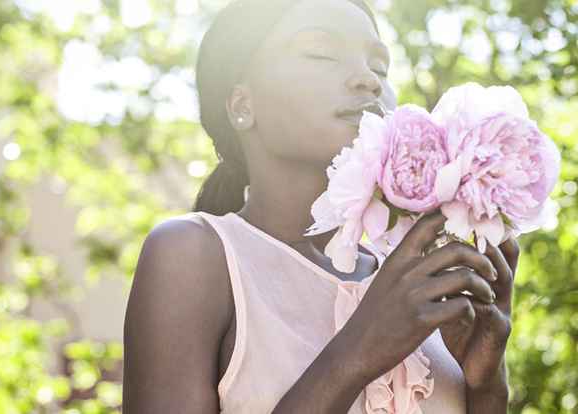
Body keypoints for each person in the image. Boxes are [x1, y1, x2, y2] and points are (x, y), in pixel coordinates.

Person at [122, 0, 520, 412]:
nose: (368, 80)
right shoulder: (193, 255)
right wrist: (358, 350)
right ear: (242, 104)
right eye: (321, 54)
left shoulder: (417, 279)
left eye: (380, 68)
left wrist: (488, 385)